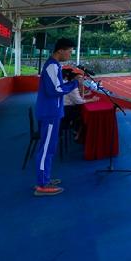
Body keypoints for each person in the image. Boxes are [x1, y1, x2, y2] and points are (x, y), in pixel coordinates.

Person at [34, 38, 82, 196]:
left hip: (52, 113)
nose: (70, 54)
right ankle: (42, 184)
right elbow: (55, 90)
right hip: (49, 114)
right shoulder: (52, 66)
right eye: (69, 51)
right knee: (46, 149)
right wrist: (74, 83)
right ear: (60, 50)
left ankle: (45, 178)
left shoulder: (54, 66)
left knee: (50, 148)